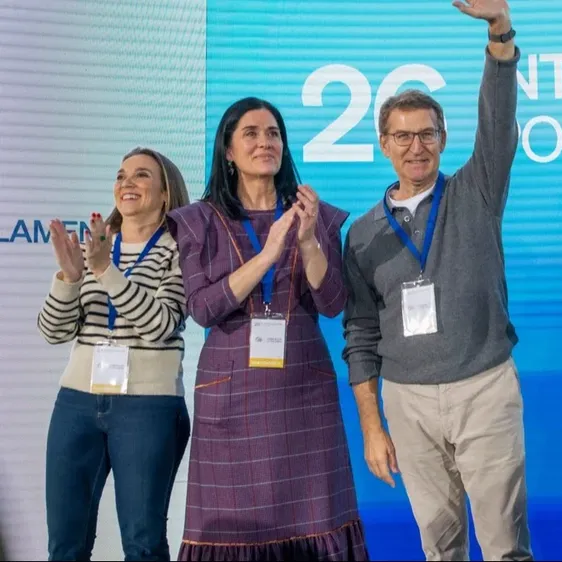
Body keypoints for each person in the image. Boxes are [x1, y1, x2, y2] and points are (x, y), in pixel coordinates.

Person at [340, 1, 529, 560]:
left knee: (503, 544)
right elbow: (360, 334)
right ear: (384, 144)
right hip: (407, 401)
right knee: (439, 547)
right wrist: (373, 428)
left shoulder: (477, 190)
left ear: (443, 139)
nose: (415, 147)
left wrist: (500, 33)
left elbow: (497, 120)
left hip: (484, 387)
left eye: (426, 134)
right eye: (402, 137)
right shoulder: (362, 234)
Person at [167, 97, 367, 561]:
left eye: (273, 133)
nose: (265, 142)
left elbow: (333, 303)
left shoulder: (316, 214)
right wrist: (267, 254)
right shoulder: (199, 222)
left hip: (303, 393)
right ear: (228, 151)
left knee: (317, 520)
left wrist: (308, 239)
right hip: (231, 399)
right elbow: (202, 307)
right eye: (252, 134)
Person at [37, 147, 192, 561]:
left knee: (143, 544)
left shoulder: (180, 249)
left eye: (141, 175)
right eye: (121, 175)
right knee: (64, 545)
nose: (126, 183)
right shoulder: (97, 244)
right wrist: (70, 278)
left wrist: (107, 272)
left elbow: (160, 326)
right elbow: (53, 331)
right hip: (77, 402)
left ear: (165, 194)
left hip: (149, 405)